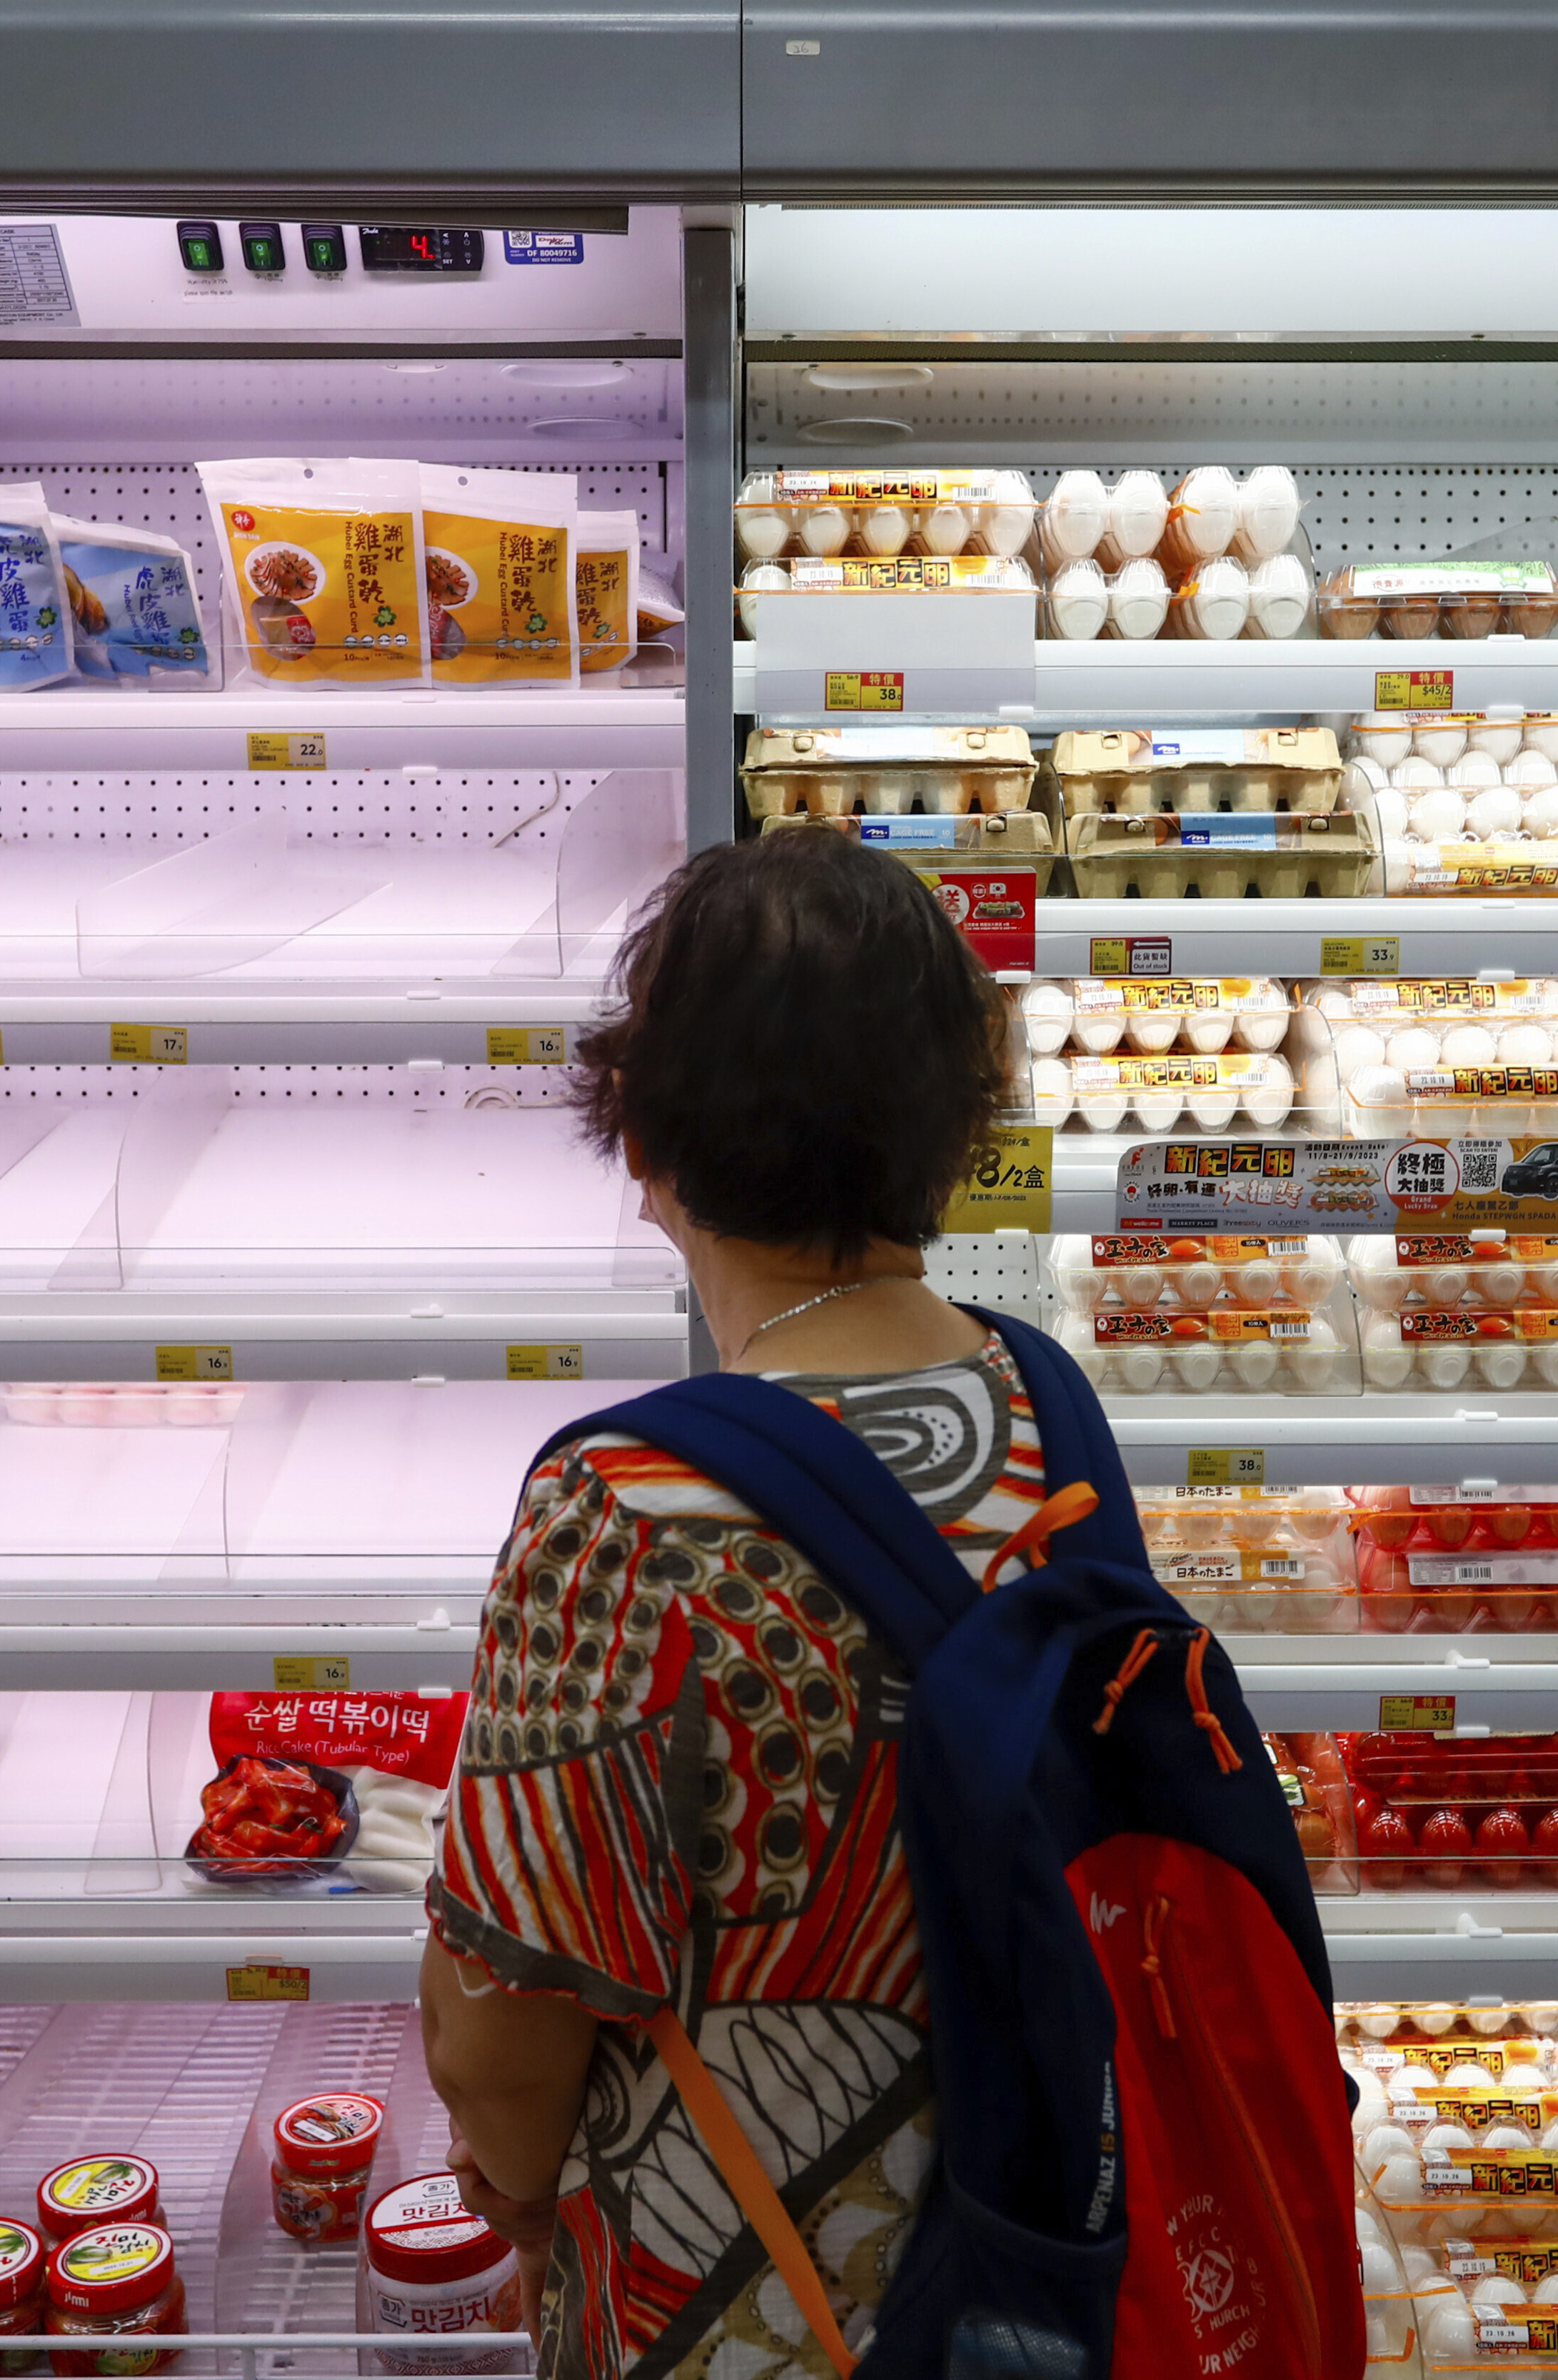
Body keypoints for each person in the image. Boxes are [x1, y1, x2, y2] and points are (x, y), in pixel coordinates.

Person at [420, 826, 1047, 2377]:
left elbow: (505, 2020)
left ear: (640, 1132)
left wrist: (507, 2193)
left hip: (752, 2304)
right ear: (957, 1129)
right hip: (1040, 2257)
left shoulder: (621, 1510)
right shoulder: (1051, 1415)